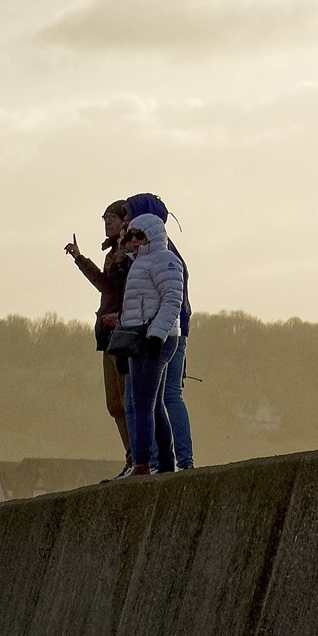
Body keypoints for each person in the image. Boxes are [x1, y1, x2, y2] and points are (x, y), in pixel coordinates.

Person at [121, 191, 195, 472]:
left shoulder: (164, 258)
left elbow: (172, 300)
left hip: (158, 337)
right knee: (151, 403)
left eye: (137, 235)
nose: (132, 240)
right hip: (144, 336)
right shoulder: (140, 259)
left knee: (150, 402)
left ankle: (148, 462)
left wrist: (156, 335)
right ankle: (162, 462)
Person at [63, 201, 134, 465]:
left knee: (127, 403)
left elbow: (115, 288)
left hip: (122, 331)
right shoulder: (113, 252)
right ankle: (131, 456)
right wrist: (80, 259)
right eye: (105, 218)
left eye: (112, 218)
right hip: (107, 333)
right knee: (115, 404)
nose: (107, 223)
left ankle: (137, 458)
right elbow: (105, 287)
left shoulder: (128, 252)